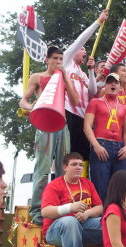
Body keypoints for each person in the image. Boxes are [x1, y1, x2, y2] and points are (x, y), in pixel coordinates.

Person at [19, 46, 79, 225]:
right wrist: (33, 108)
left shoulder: (63, 78)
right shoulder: (38, 77)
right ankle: (37, 210)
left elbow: (75, 102)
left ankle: (62, 206)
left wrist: (66, 78)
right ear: (47, 60)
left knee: (63, 168)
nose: (58, 62)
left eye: (61, 59)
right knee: (43, 168)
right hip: (45, 126)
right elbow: (23, 101)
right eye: (55, 58)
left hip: (63, 125)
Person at [41, 152, 103, 247]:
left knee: (107, 222)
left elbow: (100, 208)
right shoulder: (54, 185)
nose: (78, 168)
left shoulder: (87, 183)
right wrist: (70, 208)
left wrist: (87, 213)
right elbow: (45, 211)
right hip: (55, 231)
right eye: (74, 164)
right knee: (70, 222)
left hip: (82, 226)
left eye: (81, 165)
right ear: (65, 167)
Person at [63, 9, 109, 174]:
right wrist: (98, 21)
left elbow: (92, 92)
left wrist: (90, 71)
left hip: (83, 116)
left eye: (85, 50)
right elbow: (79, 40)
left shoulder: (82, 73)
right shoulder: (66, 62)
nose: (85, 52)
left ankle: (81, 186)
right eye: (82, 50)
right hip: (68, 112)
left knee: (82, 156)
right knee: (67, 153)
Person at [84, 73, 126, 201]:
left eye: (116, 82)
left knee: (120, 187)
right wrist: (96, 145)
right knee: (101, 187)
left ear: (120, 87)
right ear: (105, 85)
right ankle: (101, 218)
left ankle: (119, 216)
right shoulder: (95, 102)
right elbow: (87, 126)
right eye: (110, 82)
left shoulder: (124, 107)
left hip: (119, 148)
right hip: (101, 145)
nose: (113, 84)